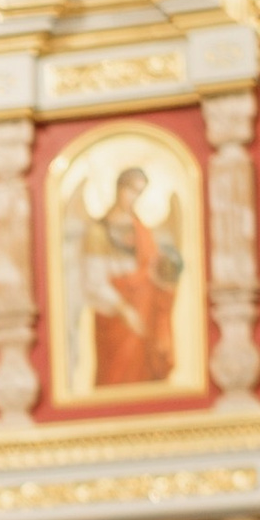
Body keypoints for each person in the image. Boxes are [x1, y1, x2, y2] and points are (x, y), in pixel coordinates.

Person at [78, 163, 183, 386]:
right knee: (116, 374)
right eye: (131, 190)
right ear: (119, 189)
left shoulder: (141, 230)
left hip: (145, 311)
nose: (134, 198)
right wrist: (125, 310)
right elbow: (93, 282)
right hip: (114, 316)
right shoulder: (98, 232)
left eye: (139, 192)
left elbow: (152, 270)